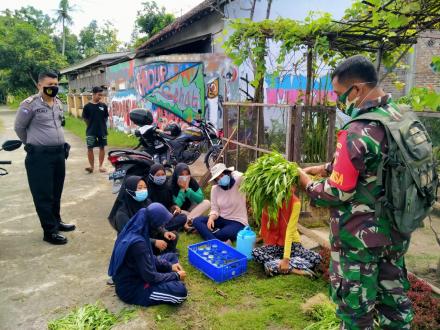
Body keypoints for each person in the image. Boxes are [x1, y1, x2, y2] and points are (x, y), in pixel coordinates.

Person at [297, 55, 413, 329]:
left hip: (359, 242)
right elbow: (380, 164)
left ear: (357, 89)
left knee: (355, 313)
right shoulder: (400, 118)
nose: (338, 100)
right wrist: (327, 167)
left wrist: (305, 181)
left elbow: (336, 193)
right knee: (394, 306)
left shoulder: (357, 130)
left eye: (339, 94)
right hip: (395, 231)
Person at [14, 70, 75, 245]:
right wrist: (32, 144)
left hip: (58, 154)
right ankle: (49, 231)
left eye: (56, 85)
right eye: (50, 85)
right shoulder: (29, 104)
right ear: (39, 85)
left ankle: (56, 221)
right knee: (44, 195)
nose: (53, 88)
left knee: (56, 191)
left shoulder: (58, 103)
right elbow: (19, 128)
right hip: (39, 156)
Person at [108, 203, 187, 307]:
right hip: (133, 289)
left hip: (138, 272)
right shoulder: (138, 244)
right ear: (153, 223)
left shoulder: (136, 228)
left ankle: (170, 277)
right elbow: (150, 277)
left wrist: (169, 266)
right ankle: (172, 282)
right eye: (161, 224)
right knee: (180, 292)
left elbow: (148, 257)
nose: (162, 227)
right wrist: (175, 276)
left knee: (171, 257)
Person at [252, 189, 321, 277]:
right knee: (256, 252)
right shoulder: (269, 200)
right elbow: (265, 220)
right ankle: (293, 269)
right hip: (276, 245)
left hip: (292, 244)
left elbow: (289, 231)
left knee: (316, 257)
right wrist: (262, 235)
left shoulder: (295, 202)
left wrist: (286, 259)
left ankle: (274, 266)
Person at [108, 175, 178, 254]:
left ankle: (164, 255)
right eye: (140, 188)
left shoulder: (147, 202)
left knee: (173, 236)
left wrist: (164, 232)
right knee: (140, 248)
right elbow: (131, 236)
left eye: (145, 187)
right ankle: (156, 258)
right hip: (134, 243)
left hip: (148, 236)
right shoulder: (121, 214)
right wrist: (154, 242)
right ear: (129, 190)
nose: (143, 190)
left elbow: (154, 221)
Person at [193, 163, 248, 243]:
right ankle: (213, 237)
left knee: (221, 234)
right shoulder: (215, 189)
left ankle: (209, 235)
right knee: (197, 221)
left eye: (222, 175)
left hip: (238, 221)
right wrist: (211, 218)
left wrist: (232, 172)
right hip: (221, 218)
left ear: (227, 173)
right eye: (217, 178)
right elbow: (214, 209)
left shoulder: (238, 183)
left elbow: (244, 176)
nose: (220, 179)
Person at [170, 163, 211, 231]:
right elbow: (176, 207)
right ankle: (191, 220)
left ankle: (185, 221)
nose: (185, 177)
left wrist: (188, 190)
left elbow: (200, 199)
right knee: (175, 214)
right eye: (181, 175)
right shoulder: (172, 185)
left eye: (187, 174)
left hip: (191, 208)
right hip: (181, 211)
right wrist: (182, 190)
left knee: (207, 202)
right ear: (176, 175)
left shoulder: (192, 181)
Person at [147, 164, 187, 232]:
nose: (161, 177)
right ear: (151, 176)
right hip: (155, 221)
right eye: (158, 175)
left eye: (163, 174)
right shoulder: (147, 190)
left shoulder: (167, 187)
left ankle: (166, 229)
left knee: (183, 217)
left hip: (167, 217)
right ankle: (161, 230)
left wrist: (175, 207)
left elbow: (170, 203)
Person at [82, 86, 109, 173]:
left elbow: (105, 117)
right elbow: (85, 118)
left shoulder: (103, 106)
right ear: (93, 94)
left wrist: (101, 125)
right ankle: (91, 167)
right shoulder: (87, 106)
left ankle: (101, 166)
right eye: (98, 95)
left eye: (101, 95)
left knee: (102, 147)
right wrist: (90, 126)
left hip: (102, 131)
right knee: (90, 148)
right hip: (91, 131)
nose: (100, 97)